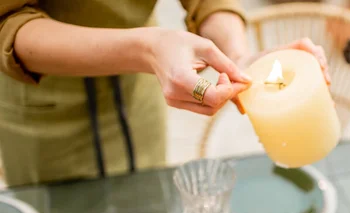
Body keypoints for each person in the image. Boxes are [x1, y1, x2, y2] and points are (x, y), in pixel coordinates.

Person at [0, 0, 330, 186]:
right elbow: (8, 21)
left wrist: (236, 56)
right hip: (44, 110)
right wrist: (147, 49)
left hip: (140, 95)